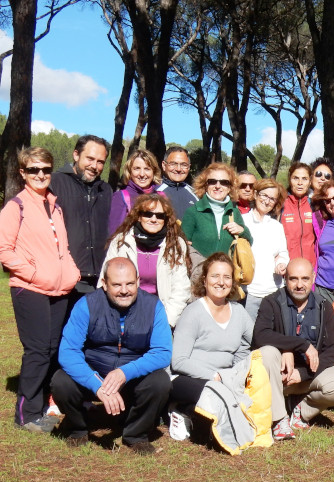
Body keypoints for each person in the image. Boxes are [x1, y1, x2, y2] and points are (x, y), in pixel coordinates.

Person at [51, 257, 172, 454]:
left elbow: (162, 352)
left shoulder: (153, 307)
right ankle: (77, 429)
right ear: (104, 284)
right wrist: (96, 383)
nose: (124, 290)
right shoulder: (86, 305)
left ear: (138, 281)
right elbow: (68, 352)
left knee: (160, 382)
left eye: (130, 283)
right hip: (94, 373)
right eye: (116, 284)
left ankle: (136, 434)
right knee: (61, 381)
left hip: (132, 377)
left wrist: (124, 373)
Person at [0, 147, 80, 433]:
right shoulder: (16, 206)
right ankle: (27, 415)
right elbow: (4, 250)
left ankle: (44, 405)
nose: (40, 174)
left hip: (59, 290)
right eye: (33, 169)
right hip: (29, 288)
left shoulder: (55, 206)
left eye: (46, 169)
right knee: (36, 350)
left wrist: (71, 272)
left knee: (52, 349)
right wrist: (34, 274)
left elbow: (62, 248)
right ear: (23, 173)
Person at [169, 253, 289, 439]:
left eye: (226, 277)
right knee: (218, 402)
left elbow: (259, 339)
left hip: (226, 379)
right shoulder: (192, 312)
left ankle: (194, 415)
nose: (221, 282)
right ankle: (183, 410)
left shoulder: (239, 312)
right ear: (204, 280)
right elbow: (179, 361)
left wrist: (287, 349)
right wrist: (214, 376)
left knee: (264, 358)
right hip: (190, 379)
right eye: (215, 276)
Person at [252, 258, 334, 439]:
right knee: (267, 353)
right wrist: (295, 346)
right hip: (278, 377)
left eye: (305, 279)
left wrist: (303, 373)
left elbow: (333, 349)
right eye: (293, 279)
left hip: (307, 376)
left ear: (313, 278)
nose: (299, 285)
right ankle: (279, 418)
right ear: (285, 279)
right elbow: (260, 336)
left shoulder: (323, 306)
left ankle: (301, 411)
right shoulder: (271, 302)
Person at [101, 193, 192, 327]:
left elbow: (181, 288)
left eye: (160, 216)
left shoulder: (175, 245)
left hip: (161, 313)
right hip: (124, 312)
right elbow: (106, 280)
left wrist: (165, 322)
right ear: (139, 216)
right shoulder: (121, 242)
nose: (153, 219)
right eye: (148, 214)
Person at [49, 134, 113, 295]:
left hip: (97, 280)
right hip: (63, 278)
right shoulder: (54, 183)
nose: (94, 166)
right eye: (90, 159)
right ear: (76, 155)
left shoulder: (106, 190)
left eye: (100, 162)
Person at [242, 178, 290, 320]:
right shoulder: (242, 221)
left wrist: (281, 264)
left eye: (272, 199)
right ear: (255, 194)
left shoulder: (276, 226)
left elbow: (282, 253)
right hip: (248, 291)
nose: (267, 201)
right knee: (249, 332)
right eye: (264, 195)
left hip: (273, 290)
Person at [180, 162, 252, 257]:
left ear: (230, 187)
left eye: (224, 182)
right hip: (200, 266)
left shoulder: (234, 212)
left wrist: (242, 230)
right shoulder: (193, 212)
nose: (218, 186)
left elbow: (250, 241)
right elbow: (182, 246)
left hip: (227, 266)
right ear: (205, 185)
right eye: (212, 181)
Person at [108, 149, 164, 232]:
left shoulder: (161, 196)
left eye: (147, 169)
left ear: (154, 171)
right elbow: (114, 233)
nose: (142, 174)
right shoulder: (120, 197)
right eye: (137, 168)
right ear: (129, 171)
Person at [281, 162, 315, 268]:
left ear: (310, 182)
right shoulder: (280, 204)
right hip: (286, 268)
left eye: (304, 179)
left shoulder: (315, 205)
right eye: (295, 178)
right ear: (289, 180)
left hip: (310, 268)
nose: (300, 183)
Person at [157, 146, 198, 219]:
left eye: (184, 165)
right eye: (173, 164)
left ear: (189, 167)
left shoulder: (196, 194)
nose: (178, 169)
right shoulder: (154, 192)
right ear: (164, 165)